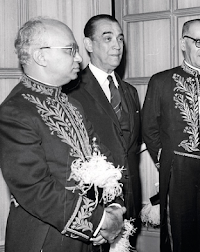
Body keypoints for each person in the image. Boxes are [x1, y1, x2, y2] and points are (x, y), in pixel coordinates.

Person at [0, 17, 126, 252]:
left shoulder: (73, 104)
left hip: (89, 238)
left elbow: (102, 158)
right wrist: (98, 222)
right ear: (41, 56)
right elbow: (35, 188)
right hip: (47, 239)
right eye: (71, 50)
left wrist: (114, 208)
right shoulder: (14, 111)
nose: (78, 58)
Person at [142, 19, 200, 252]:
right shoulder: (161, 81)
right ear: (183, 43)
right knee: (180, 240)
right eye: (198, 42)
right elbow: (149, 128)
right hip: (179, 172)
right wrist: (166, 161)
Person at [64, 14, 142, 250]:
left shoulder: (129, 92)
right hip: (94, 207)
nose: (117, 46)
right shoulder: (71, 91)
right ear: (88, 44)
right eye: (107, 38)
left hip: (129, 202)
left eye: (119, 39)